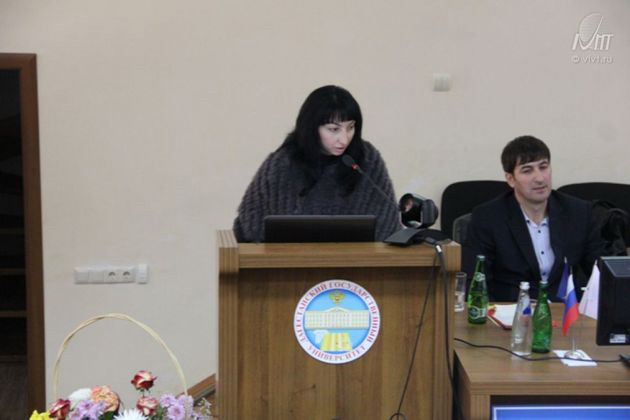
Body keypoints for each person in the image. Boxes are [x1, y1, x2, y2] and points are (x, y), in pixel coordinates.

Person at [233, 85, 399, 242]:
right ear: (312, 127)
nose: (344, 139)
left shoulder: (367, 159)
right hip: (290, 261)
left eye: (350, 127)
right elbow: (249, 226)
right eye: (334, 129)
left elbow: (388, 224)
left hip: (358, 261)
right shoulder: (282, 163)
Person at [464, 135, 603, 301]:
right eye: (527, 170)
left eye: (543, 167)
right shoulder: (488, 217)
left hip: (564, 309)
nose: (539, 178)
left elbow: (599, 272)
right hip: (510, 309)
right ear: (510, 179)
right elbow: (476, 281)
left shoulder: (579, 212)